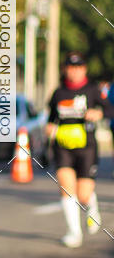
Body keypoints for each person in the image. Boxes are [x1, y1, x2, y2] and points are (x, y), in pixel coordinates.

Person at [46, 52, 111, 248]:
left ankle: (92, 205)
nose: (74, 71)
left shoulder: (92, 90)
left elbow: (110, 109)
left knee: (83, 195)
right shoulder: (59, 93)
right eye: (70, 67)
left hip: (87, 147)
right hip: (63, 147)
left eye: (78, 67)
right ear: (65, 69)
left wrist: (98, 113)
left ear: (84, 69)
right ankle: (74, 233)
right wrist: (49, 127)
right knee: (66, 188)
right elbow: (51, 117)